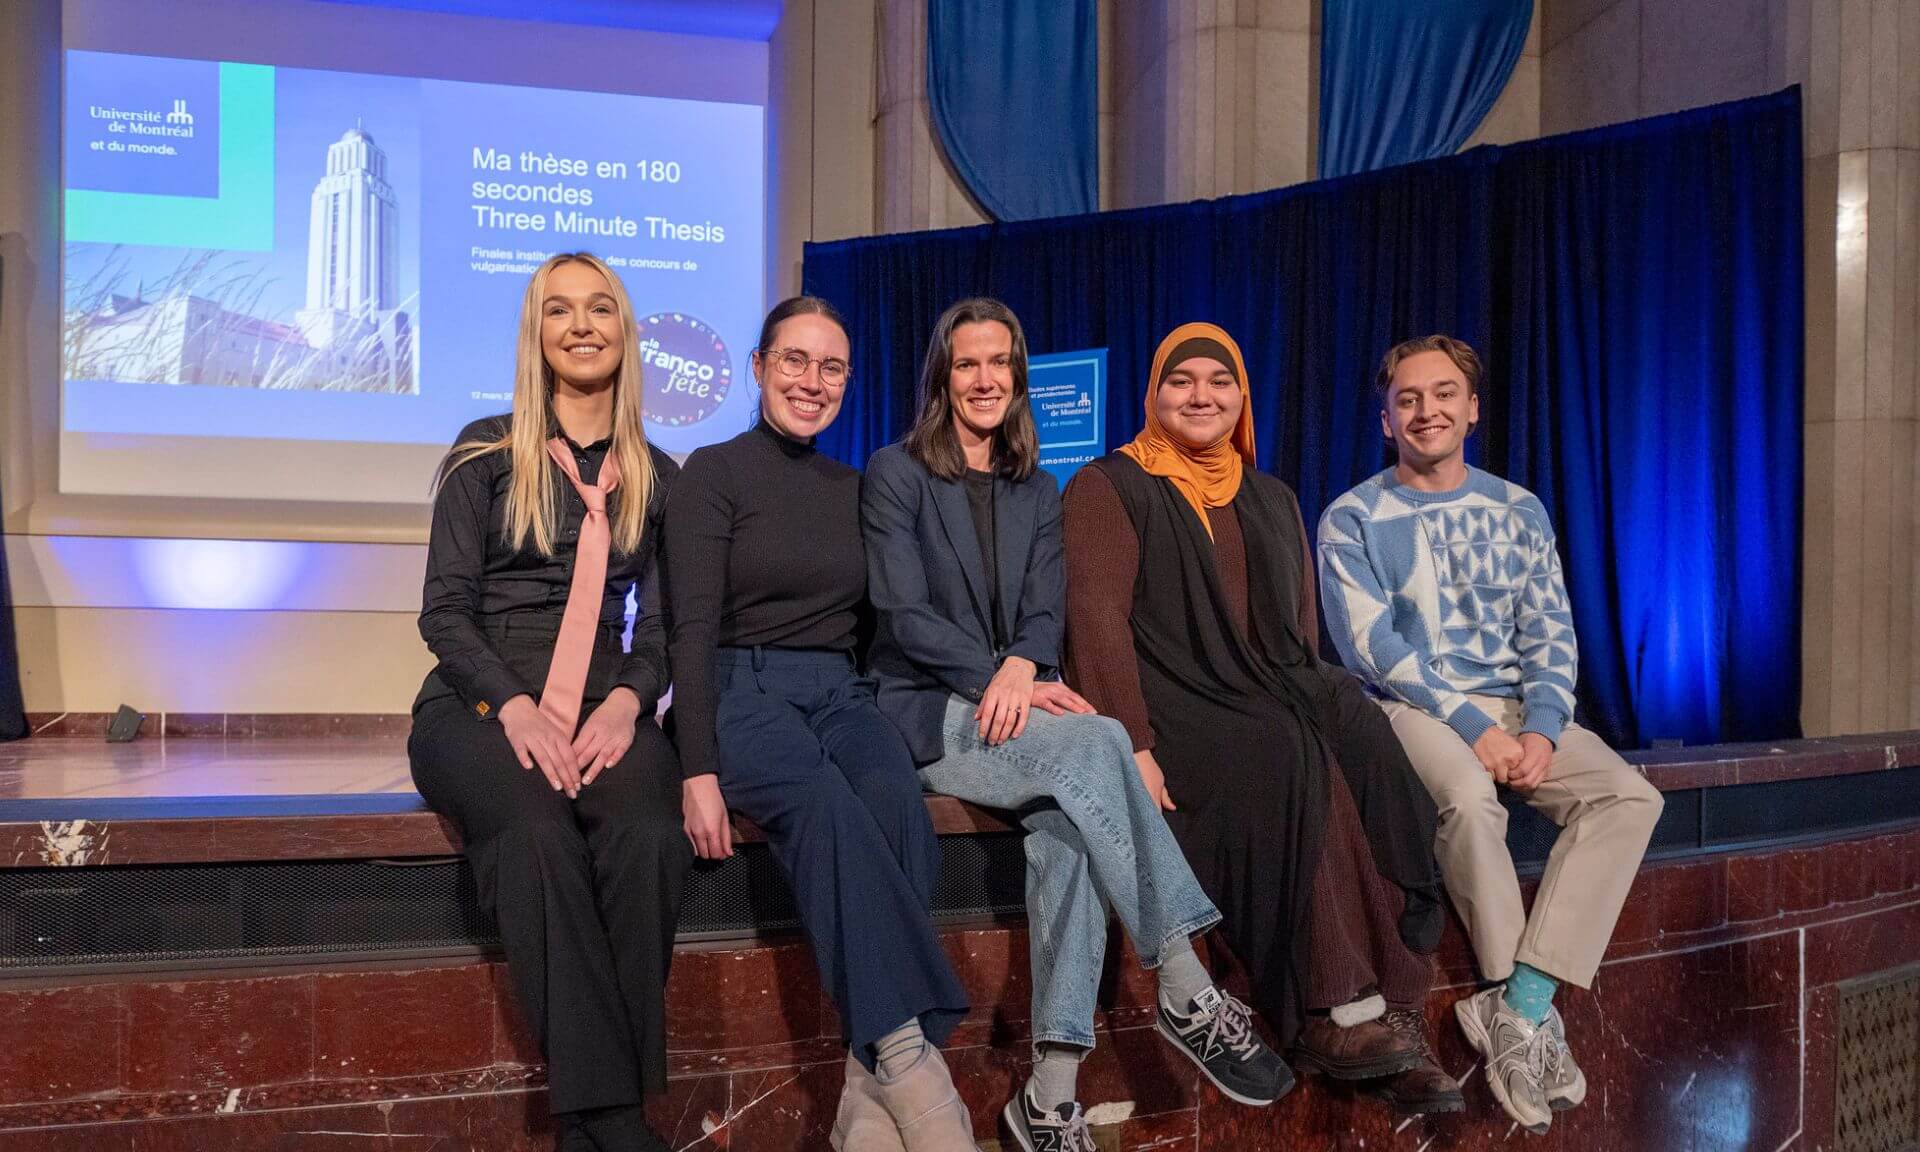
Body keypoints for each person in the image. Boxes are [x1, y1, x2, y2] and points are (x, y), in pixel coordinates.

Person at [862, 299, 1289, 1150]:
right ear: (941, 379)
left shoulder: (1041, 485)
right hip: (926, 712)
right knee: (1098, 741)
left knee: (1069, 832)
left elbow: (1045, 607)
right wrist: (1000, 675)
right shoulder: (896, 471)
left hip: (1017, 705)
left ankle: (1047, 1100)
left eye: (1000, 363)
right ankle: (1183, 981)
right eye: (967, 364)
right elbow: (901, 614)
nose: (985, 379)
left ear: (1018, 378)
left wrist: (1024, 664)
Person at [1061, 322, 1462, 1117]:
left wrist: (1324, 701)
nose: (1201, 395)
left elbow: (1299, 632)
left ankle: (1397, 1006)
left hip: (1262, 689)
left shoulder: (1270, 495)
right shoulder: (1110, 485)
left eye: (1220, 381)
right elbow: (1096, 621)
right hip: (1169, 700)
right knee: (1285, 748)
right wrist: (1132, 743)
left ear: (1243, 396)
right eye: (1183, 381)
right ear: (1154, 393)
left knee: (1353, 726)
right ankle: (1330, 1006)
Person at [1317, 334, 1665, 1134]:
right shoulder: (1353, 517)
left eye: (1443, 394)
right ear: (1385, 419)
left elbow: (1551, 630)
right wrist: (1475, 728)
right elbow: (1373, 648)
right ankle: (1530, 1026)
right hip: (1417, 708)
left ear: (1472, 409)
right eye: (1408, 399)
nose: (1426, 410)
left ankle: (1520, 1007)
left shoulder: (1518, 508)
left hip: (1519, 709)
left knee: (1628, 798)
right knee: (1472, 804)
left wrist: (1544, 728)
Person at [662, 297, 974, 1152]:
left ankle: (863, 1103)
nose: (812, 380)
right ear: (759, 368)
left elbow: (879, 622)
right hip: (735, 686)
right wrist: (695, 768)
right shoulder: (711, 474)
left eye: (831, 366)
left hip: (837, 690)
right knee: (825, 804)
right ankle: (911, 1065)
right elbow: (686, 628)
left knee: (894, 799)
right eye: (794, 361)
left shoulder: (855, 486)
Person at [409, 252, 690, 1152]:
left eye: (599, 308)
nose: (581, 325)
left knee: (650, 830)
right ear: (536, 334)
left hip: (605, 698)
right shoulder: (486, 452)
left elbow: (662, 634)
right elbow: (444, 613)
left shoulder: (659, 474)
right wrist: (513, 706)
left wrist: (630, 705)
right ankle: (615, 1119)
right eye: (558, 310)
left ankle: (589, 1126)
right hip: (479, 700)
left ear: (625, 330)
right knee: (534, 830)